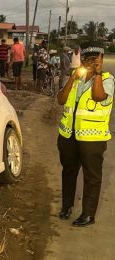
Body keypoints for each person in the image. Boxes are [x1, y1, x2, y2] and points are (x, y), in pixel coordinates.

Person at [57, 47, 114, 227]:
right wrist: (72, 78)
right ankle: (67, 206)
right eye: (87, 58)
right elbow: (61, 99)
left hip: (93, 140)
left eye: (94, 58)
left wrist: (97, 73)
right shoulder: (76, 77)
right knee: (69, 172)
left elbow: (98, 97)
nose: (90, 62)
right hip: (69, 135)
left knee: (92, 177)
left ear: (101, 59)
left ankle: (88, 214)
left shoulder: (108, 79)